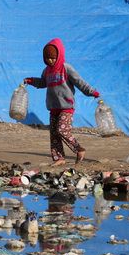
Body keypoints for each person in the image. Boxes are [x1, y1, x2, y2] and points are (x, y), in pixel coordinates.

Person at [24, 38, 99, 166]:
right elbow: (43, 83)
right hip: (53, 107)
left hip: (67, 106)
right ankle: (59, 158)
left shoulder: (66, 68)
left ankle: (79, 149)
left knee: (62, 130)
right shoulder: (46, 71)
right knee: (54, 134)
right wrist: (32, 81)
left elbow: (80, 82)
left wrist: (91, 92)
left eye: (52, 58)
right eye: (47, 58)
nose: (50, 60)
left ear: (59, 55)